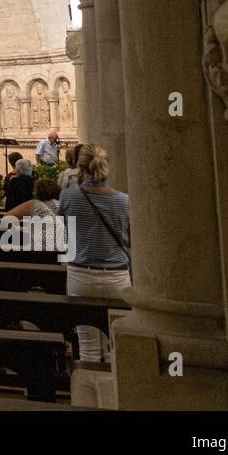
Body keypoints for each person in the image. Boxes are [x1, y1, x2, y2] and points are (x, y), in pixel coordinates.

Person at [59, 146, 130, 362]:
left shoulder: (68, 196)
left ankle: (89, 389)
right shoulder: (124, 200)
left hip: (81, 273)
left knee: (88, 345)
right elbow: (131, 238)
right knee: (115, 343)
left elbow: (65, 235)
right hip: (117, 275)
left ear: (80, 168)